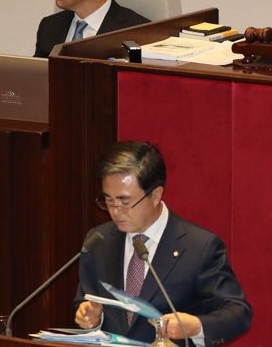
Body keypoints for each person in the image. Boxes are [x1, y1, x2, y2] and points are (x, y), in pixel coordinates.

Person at [74, 141, 252, 345]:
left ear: (156, 195)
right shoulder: (99, 240)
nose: (115, 211)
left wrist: (195, 326)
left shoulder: (200, 247)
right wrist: (91, 317)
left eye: (124, 201)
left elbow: (238, 313)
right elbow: (85, 301)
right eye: (108, 200)